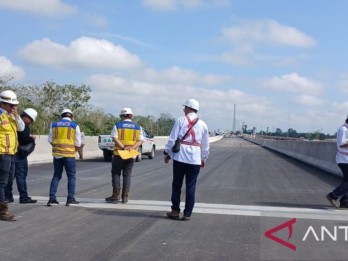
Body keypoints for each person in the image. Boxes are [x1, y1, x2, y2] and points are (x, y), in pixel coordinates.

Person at [164, 99, 210, 221]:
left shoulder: (180, 120)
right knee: (191, 186)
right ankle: (187, 213)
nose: (183, 109)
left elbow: (172, 139)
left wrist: (167, 153)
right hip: (195, 159)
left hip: (180, 157)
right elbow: (205, 145)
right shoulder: (203, 124)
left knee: (177, 184)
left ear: (189, 108)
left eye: (185, 107)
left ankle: (175, 210)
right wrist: (203, 158)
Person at [105, 107, 144, 204]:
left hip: (119, 153)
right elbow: (141, 140)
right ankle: (125, 197)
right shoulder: (137, 127)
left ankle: (115, 196)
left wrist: (123, 147)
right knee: (127, 175)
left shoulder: (118, 125)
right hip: (131, 154)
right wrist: (132, 148)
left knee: (116, 173)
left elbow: (114, 138)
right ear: (131, 116)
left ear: (122, 116)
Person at [47, 108, 81, 207]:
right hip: (69, 155)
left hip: (57, 155)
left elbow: (50, 139)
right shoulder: (74, 125)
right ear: (71, 116)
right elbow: (78, 142)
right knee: (71, 176)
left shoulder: (54, 124)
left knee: (56, 176)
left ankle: (52, 198)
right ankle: (70, 199)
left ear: (61, 116)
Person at [0, 90, 25, 221]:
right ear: (3, 104)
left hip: (10, 153)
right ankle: (3, 211)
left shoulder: (11, 116)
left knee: (8, 181)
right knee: (2, 182)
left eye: (14, 106)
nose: (13, 108)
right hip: (2, 153)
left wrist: (16, 116)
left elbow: (21, 128)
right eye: (11, 105)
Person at [5, 108, 38, 204]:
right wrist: (31, 139)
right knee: (21, 177)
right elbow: (24, 140)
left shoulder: (12, 123)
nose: (31, 122)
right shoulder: (23, 127)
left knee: (9, 177)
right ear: (27, 117)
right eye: (31, 120)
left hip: (11, 153)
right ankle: (23, 197)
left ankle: (8, 196)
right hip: (19, 156)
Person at [326, 115, 348, 209]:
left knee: (346, 180)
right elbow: (341, 144)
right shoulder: (343, 129)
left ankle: (345, 201)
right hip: (344, 159)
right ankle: (333, 196)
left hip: (345, 159)